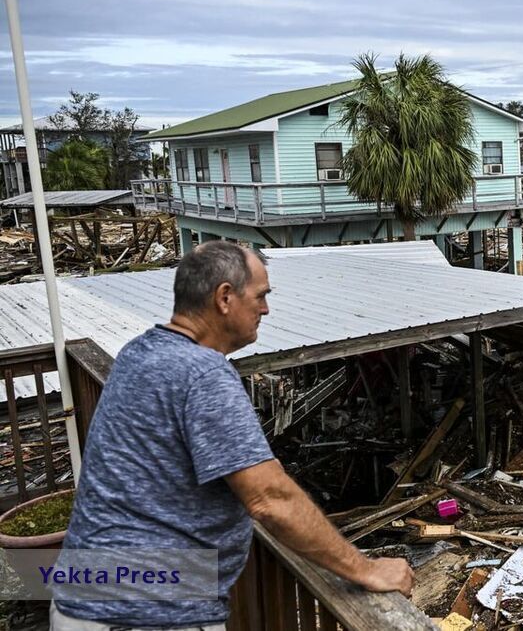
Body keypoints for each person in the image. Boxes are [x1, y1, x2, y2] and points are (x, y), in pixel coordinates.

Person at [53, 242, 413, 630]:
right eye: (260, 296)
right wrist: (367, 569)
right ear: (225, 297)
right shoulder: (203, 374)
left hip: (86, 592)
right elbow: (269, 498)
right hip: (144, 614)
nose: (266, 309)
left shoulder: (139, 352)